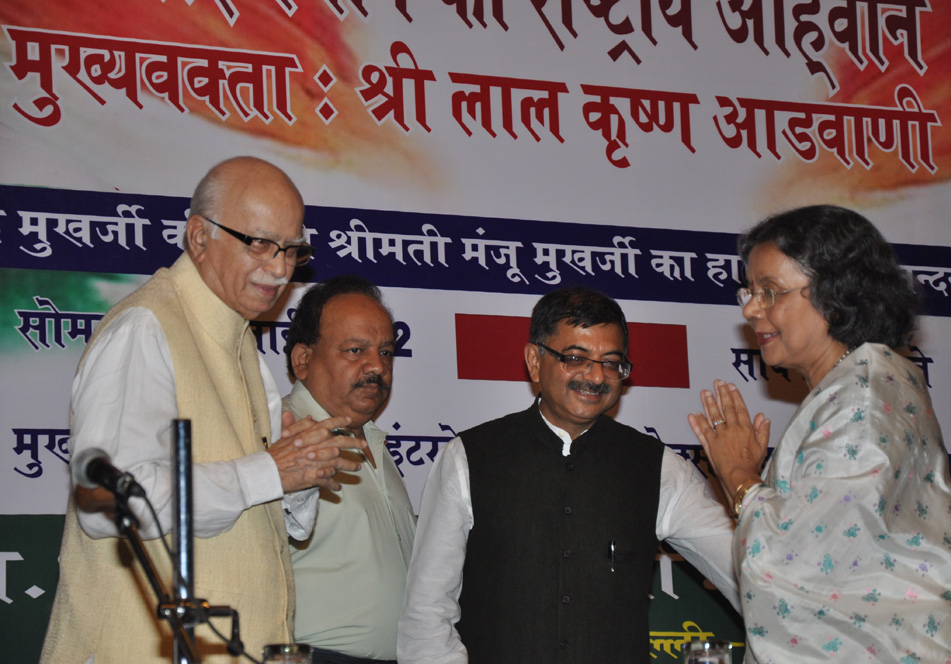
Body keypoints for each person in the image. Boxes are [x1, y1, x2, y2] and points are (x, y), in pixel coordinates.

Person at [41, 156, 366, 664]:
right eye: (259, 243)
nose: (280, 269)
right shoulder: (144, 329)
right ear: (199, 237)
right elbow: (108, 503)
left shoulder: (245, 351)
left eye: (291, 250)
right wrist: (269, 470)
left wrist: (300, 473)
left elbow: (266, 513)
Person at [687, 205, 951, 663]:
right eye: (749, 291)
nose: (751, 309)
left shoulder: (861, 402)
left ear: (836, 294)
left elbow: (798, 569)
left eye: (770, 292)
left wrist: (740, 478)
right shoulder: (860, 385)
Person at [397, 286, 739, 664]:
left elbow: (747, 575)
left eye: (611, 362)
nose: (595, 376)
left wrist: (744, 481)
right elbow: (427, 613)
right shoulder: (469, 457)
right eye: (576, 358)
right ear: (533, 359)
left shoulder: (660, 468)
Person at [283, 275, 416, 664]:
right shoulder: (280, 437)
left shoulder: (372, 440)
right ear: (303, 360)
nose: (377, 365)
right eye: (356, 350)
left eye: (387, 352)